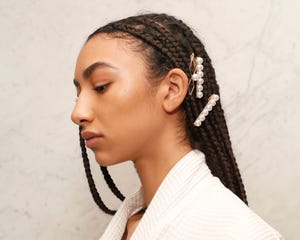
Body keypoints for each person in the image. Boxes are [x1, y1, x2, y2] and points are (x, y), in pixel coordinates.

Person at [71, 13, 283, 240]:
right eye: (78, 95)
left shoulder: (237, 233)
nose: (77, 114)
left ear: (172, 89)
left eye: (101, 87)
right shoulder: (130, 223)